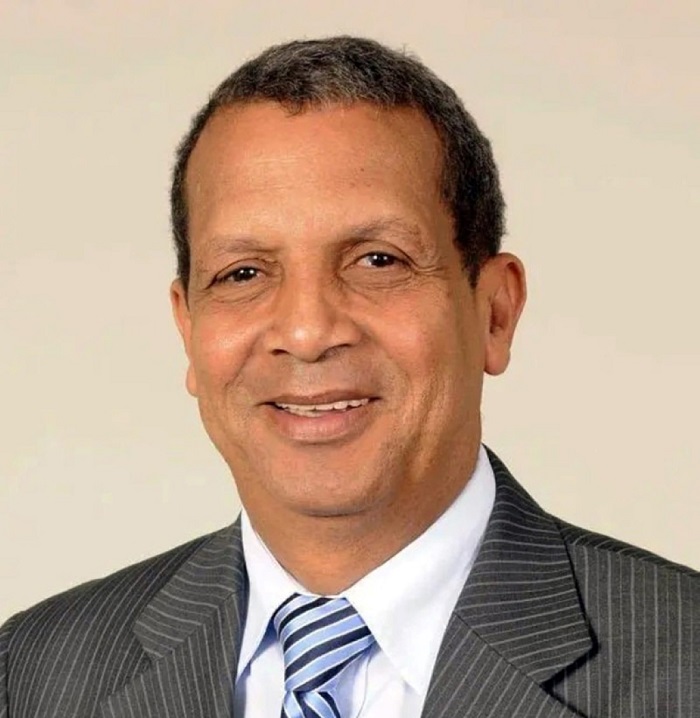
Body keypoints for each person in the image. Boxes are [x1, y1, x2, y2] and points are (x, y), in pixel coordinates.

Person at [0, 36, 697, 718]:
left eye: (378, 260)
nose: (307, 331)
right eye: (244, 273)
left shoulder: (683, 663)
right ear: (189, 329)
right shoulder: (33, 676)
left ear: (494, 312)